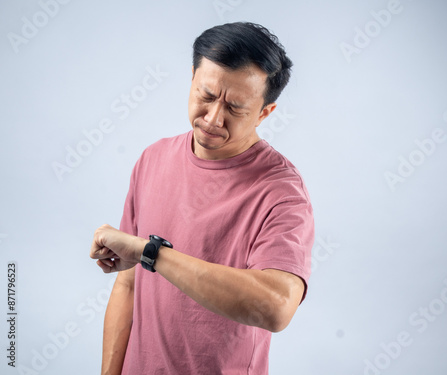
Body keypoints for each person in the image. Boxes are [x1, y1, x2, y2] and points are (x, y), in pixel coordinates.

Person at [90, 22, 314, 375]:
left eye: (235, 108)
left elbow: (276, 307)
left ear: (264, 113)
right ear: (192, 77)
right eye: (206, 96)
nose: (212, 118)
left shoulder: (281, 192)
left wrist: (150, 253)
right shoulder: (153, 159)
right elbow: (128, 284)